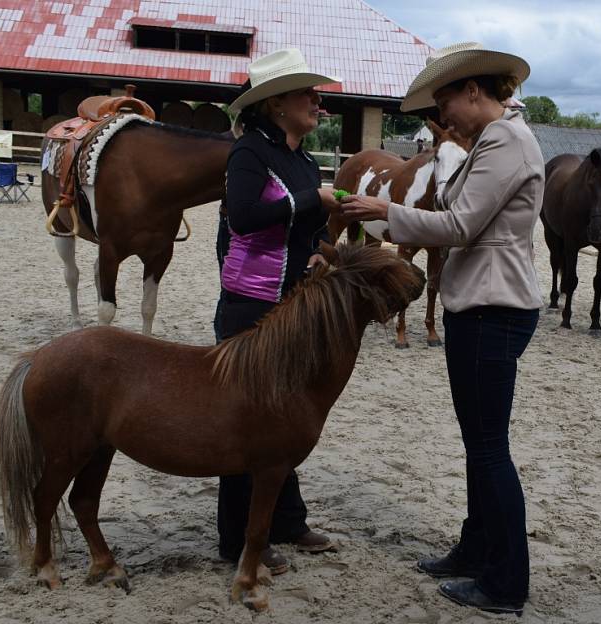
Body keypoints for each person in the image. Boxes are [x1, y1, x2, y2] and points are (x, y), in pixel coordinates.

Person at [339, 42, 543, 616]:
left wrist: (384, 213)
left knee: (488, 449)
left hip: (490, 305)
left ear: (474, 90)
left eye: (446, 100)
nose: (441, 116)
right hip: (482, 302)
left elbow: (460, 223)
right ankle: (477, 550)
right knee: (480, 445)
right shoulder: (492, 140)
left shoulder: (503, 139)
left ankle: (505, 582)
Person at [217, 47, 343, 574]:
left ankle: (287, 521)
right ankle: (235, 539)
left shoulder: (302, 159)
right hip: (250, 307)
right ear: (275, 105)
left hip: (292, 306)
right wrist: (311, 199)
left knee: (286, 418)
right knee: (248, 426)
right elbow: (243, 218)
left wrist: (316, 247)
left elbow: (308, 227)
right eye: (306, 93)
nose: (317, 100)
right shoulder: (249, 153)